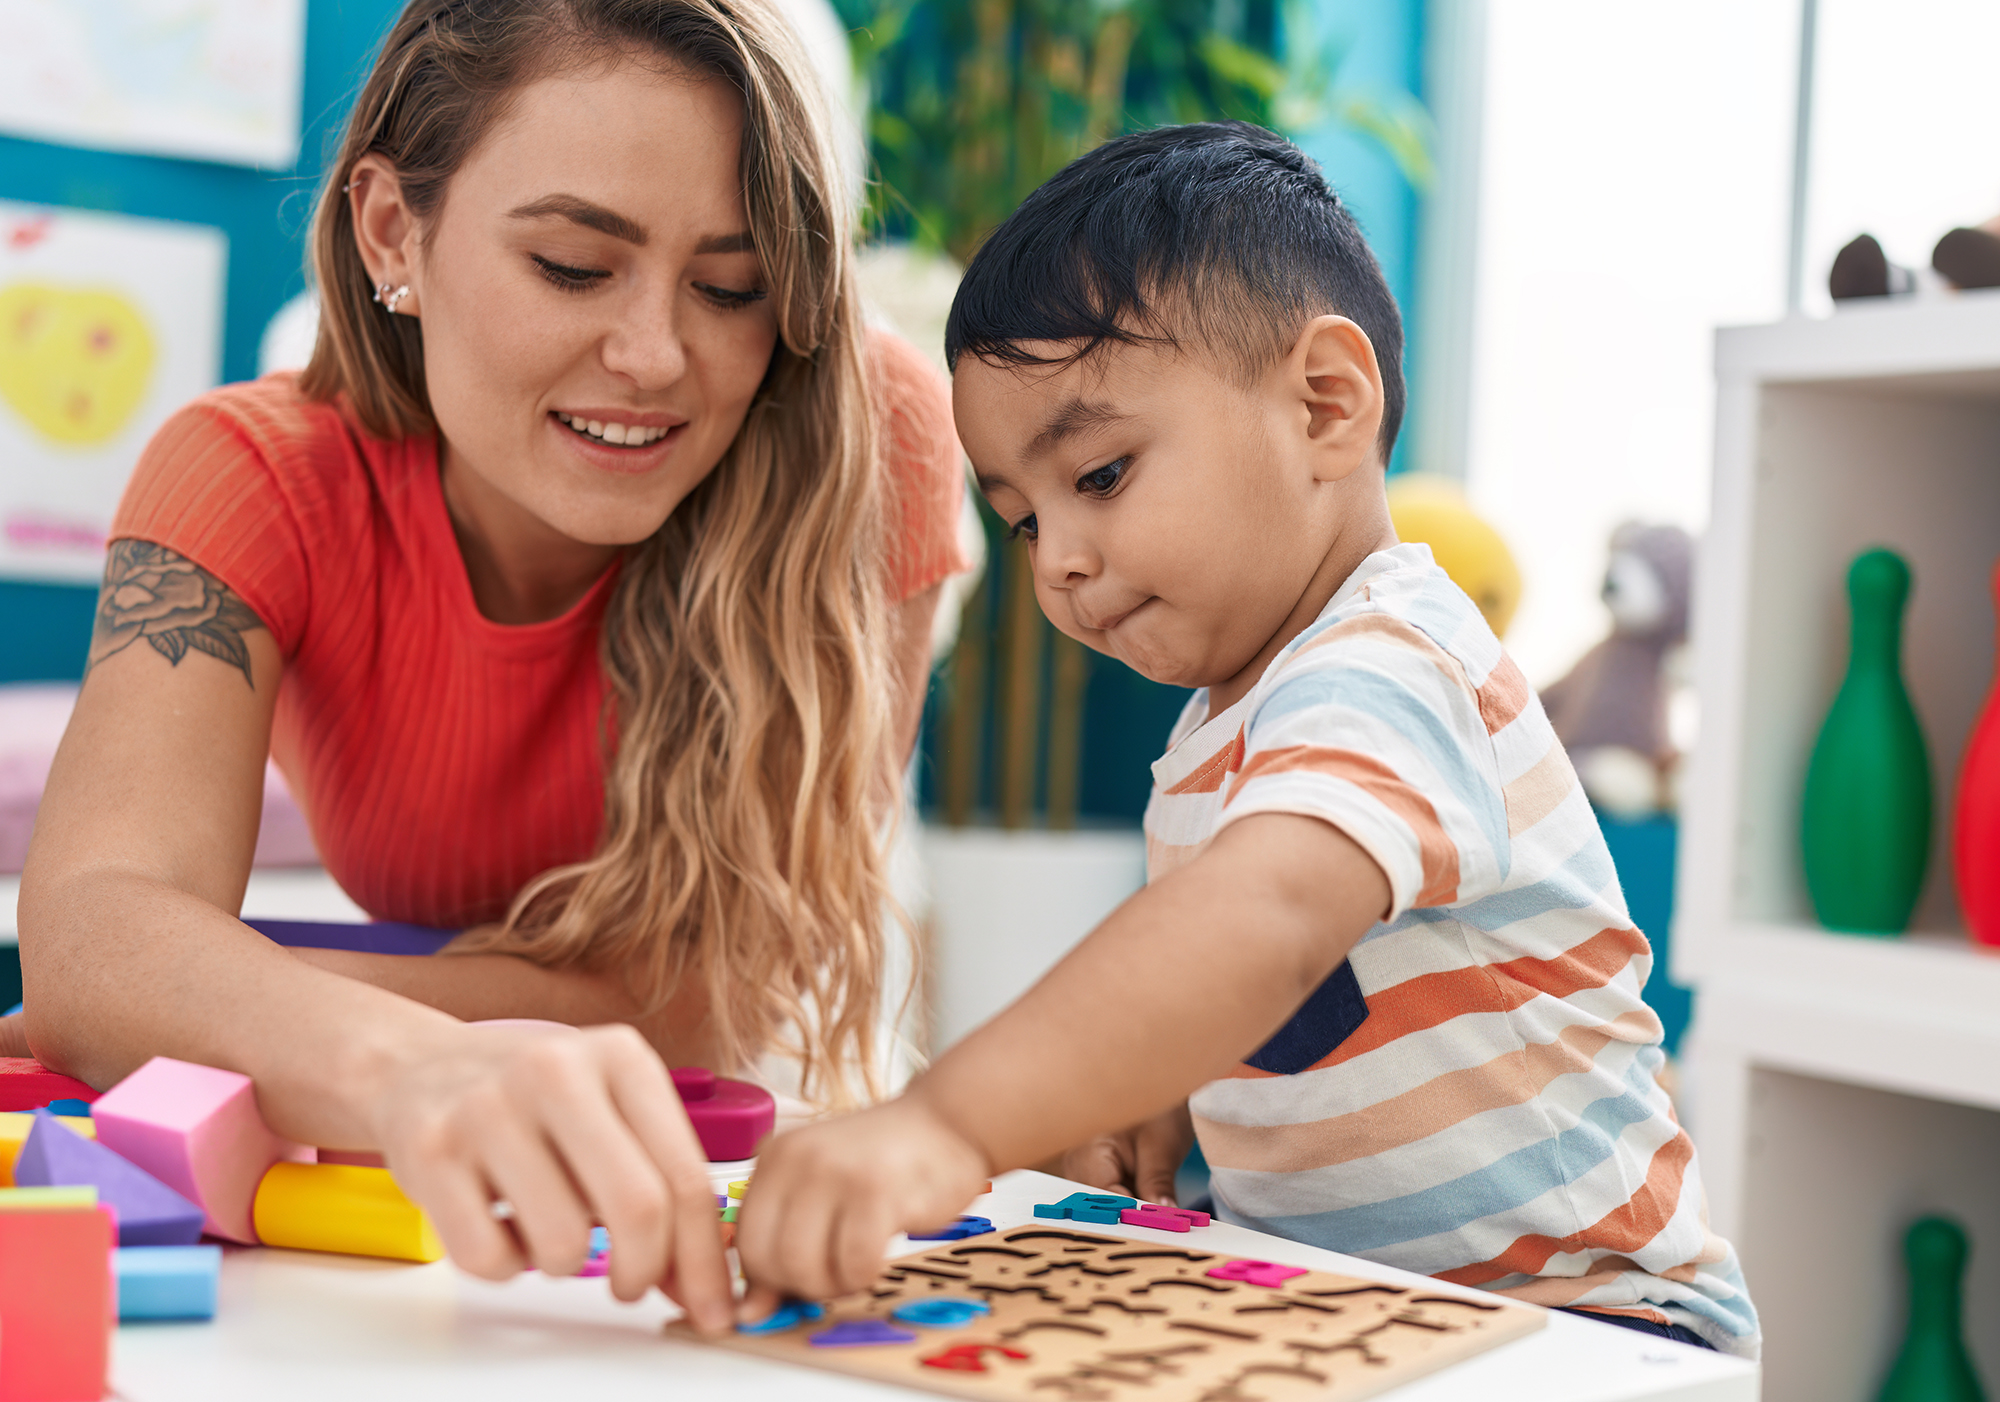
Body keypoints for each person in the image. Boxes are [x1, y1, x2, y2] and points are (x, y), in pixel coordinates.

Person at [735, 121, 1759, 1358]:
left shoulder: (1392, 660)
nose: (1057, 558)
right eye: (1018, 522)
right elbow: (1303, 975)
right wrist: (1157, 1082)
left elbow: (1265, 923)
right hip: (1376, 1314)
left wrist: (947, 1122)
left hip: (1595, 1323)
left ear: (1325, 403)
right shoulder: (1232, 716)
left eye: (1100, 474)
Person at [17, 0, 963, 1335]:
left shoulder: (871, 438)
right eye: (576, 264)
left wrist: (223, 991)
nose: (656, 356)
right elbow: (93, 936)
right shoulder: (251, 476)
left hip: (735, 1204)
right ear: (394, 232)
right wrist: (399, 1060)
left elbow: (702, 1006)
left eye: (733, 285)